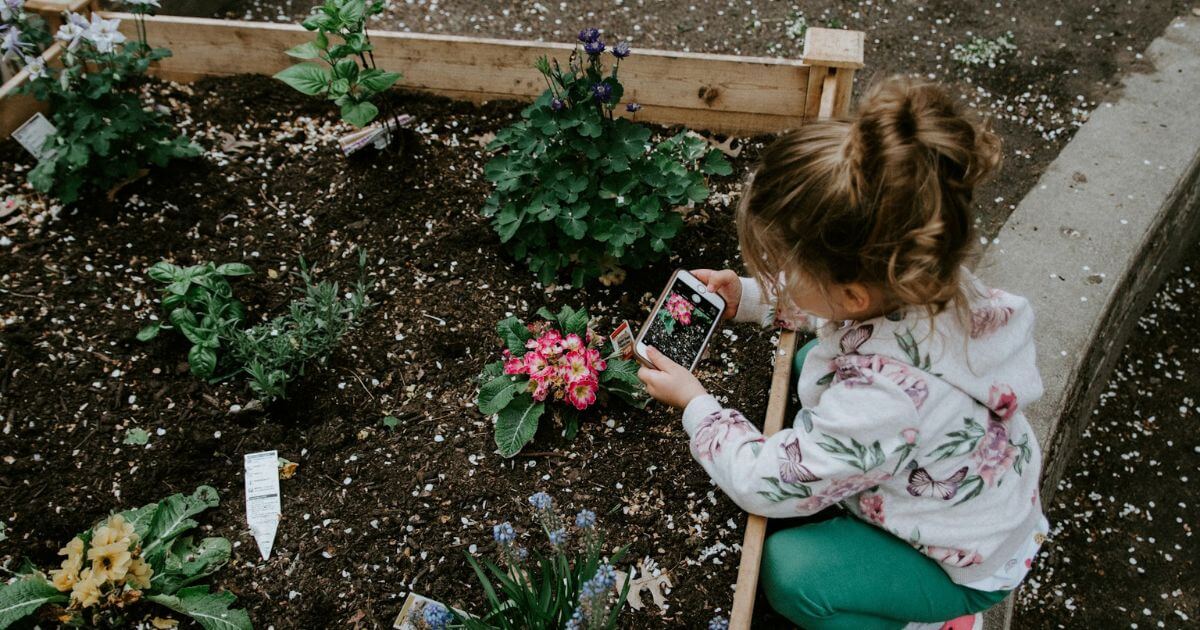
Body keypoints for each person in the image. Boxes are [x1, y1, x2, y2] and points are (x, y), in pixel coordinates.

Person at [637, 77, 1048, 630]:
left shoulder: (883, 399)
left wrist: (697, 407)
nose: (769, 271)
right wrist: (754, 301)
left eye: (783, 266)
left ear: (853, 294)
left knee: (791, 573)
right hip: (971, 497)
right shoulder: (926, 277)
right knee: (811, 365)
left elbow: (765, 484)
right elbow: (839, 312)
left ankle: (929, 620)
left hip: (953, 561)